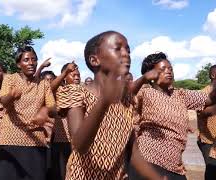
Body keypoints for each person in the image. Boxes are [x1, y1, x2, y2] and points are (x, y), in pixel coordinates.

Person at [56, 31, 163, 180]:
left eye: (128, 50)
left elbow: (132, 150)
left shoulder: (126, 99)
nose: (126, 54)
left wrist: (157, 178)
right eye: (118, 48)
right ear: (94, 60)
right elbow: (79, 145)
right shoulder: (76, 92)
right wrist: (104, 102)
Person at [129, 52, 216, 180]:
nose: (169, 72)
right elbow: (125, 96)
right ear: (150, 74)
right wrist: (143, 79)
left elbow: (210, 98)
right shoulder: (145, 92)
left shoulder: (180, 95)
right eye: (163, 69)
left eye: (170, 69)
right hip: (148, 161)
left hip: (175, 166)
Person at [0, 46, 56, 180]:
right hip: (10, 141)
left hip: (36, 142)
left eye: (34, 59)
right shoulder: (10, 79)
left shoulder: (44, 84)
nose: (31, 63)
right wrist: (11, 95)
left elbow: (53, 108)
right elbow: (3, 101)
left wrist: (45, 110)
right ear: (19, 64)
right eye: (26, 60)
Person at [51, 62, 80, 180]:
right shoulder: (60, 92)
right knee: (62, 174)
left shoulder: (84, 92)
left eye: (78, 75)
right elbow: (50, 88)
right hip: (61, 140)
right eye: (73, 75)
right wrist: (65, 72)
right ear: (65, 77)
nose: (77, 77)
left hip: (78, 142)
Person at [197, 64, 216, 180]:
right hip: (208, 142)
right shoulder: (203, 93)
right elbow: (200, 113)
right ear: (213, 75)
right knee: (212, 173)